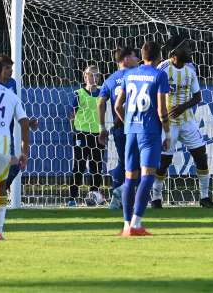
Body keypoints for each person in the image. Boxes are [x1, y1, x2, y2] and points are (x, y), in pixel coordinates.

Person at [114, 41, 171, 236]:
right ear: (158, 57)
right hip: (149, 132)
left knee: (130, 178)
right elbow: (162, 109)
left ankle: (125, 225)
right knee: (148, 176)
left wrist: (128, 122)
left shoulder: (129, 74)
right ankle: (136, 225)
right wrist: (167, 133)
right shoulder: (160, 75)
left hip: (130, 132)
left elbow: (117, 106)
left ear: (142, 55)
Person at [152, 38, 213, 208]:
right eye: (186, 48)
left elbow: (197, 96)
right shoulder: (163, 69)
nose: (190, 50)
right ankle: (156, 198)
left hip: (187, 121)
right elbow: (154, 93)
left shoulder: (191, 69)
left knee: (201, 155)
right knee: (164, 161)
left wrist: (183, 107)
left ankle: (204, 197)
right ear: (174, 53)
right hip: (168, 123)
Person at [97, 46, 140, 210]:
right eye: (135, 57)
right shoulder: (136, 75)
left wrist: (102, 127)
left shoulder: (110, 80)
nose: (138, 60)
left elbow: (100, 103)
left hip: (118, 129)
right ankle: (121, 191)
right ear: (126, 59)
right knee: (143, 165)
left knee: (124, 163)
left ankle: (118, 198)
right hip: (136, 126)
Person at [0, 59, 30, 241]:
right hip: (2, 149)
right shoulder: (11, 95)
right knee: (0, 188)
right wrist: (24, 152)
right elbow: (24, 122)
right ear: (1, 73)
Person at [0, 54, 37, 193]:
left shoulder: (12, 83)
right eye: (7, 68)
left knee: (15, 165)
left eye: (11, 68)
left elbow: (14, 108)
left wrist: (27, 122)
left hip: (7, 133)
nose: (10, 71)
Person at [68, 65, 106, 206]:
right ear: (85, 77)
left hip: (98, 135)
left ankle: (94, 196)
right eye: (91, 75)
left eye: (97, 75)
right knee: (79, 166)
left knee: (96, 167)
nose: (94, 78)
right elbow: (71, 115)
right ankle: (72, 198)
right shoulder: (78, 93)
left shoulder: (103, 93)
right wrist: (76, 131)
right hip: (81, 134)